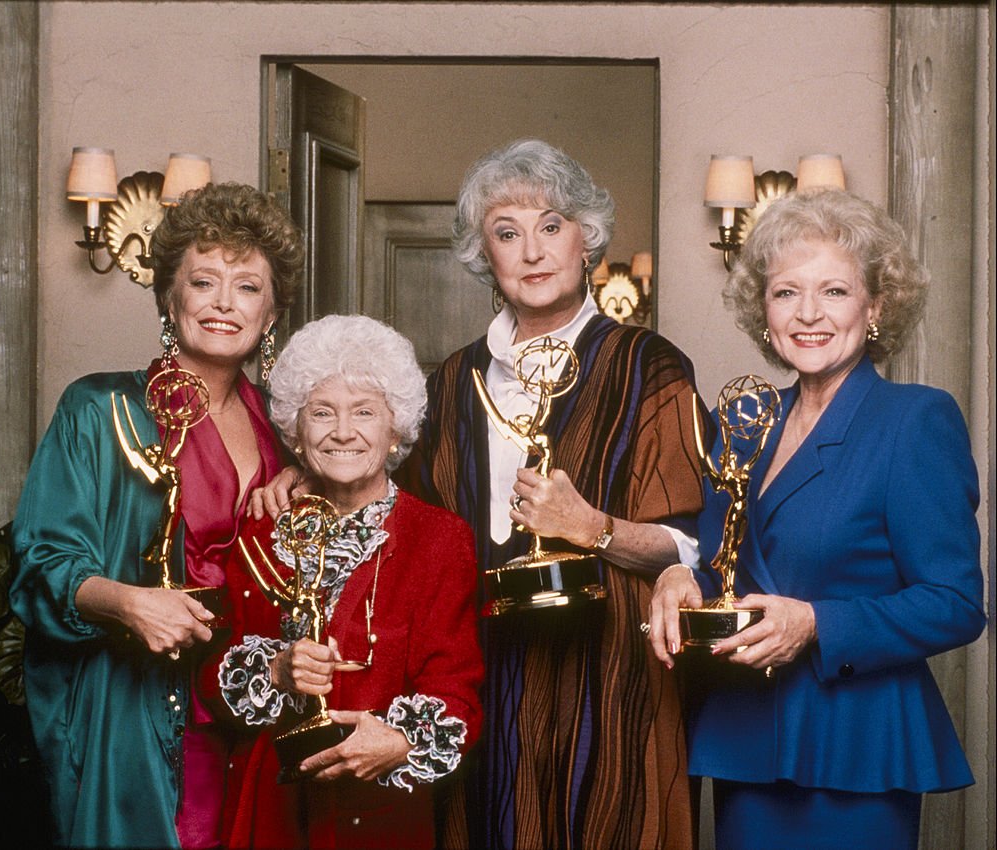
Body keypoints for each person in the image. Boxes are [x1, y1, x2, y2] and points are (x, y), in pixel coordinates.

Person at [646, 188, 986, 850]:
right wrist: (675, 576)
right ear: (763, 311)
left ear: (876, 306)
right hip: (747, 739)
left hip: (857, 747)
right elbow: (721, 561)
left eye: (834, 291)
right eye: (785, 293)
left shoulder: (914, 419)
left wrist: (815, 623)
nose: (807, 314)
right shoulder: (744, 423)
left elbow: (955, 603)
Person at [411, 138, 705, 849]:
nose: (533, 251)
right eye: (507, 233)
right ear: (486, 255)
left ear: (586, 240)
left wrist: (592, 525)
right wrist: (306, 474)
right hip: (485, 676)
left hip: (617, 677)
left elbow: (691, 549)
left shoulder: (647, 364)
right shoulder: (453, 381)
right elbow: (411, 528)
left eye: (552, 226)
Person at [9, 182, 304, 848]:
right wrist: (129, 604)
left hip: (256, 714)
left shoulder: (288, 433)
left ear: (274, 310)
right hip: (136, 709)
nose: (226, 304)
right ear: (170, 299)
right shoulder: (101, 412)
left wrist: (305, 481)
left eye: (249, 288)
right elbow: (39, 569)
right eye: (204, 282)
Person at [210, 314, 483, 849]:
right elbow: (209, 677)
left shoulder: (440, 539)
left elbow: (458, 693)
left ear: (396, 426)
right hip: (272, 809)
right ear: (295, 427)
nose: (342, 431)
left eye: (365, 412)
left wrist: (400, 741)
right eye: (322, 412)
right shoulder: (262, 530)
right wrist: (274, 669)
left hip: (383, 814)